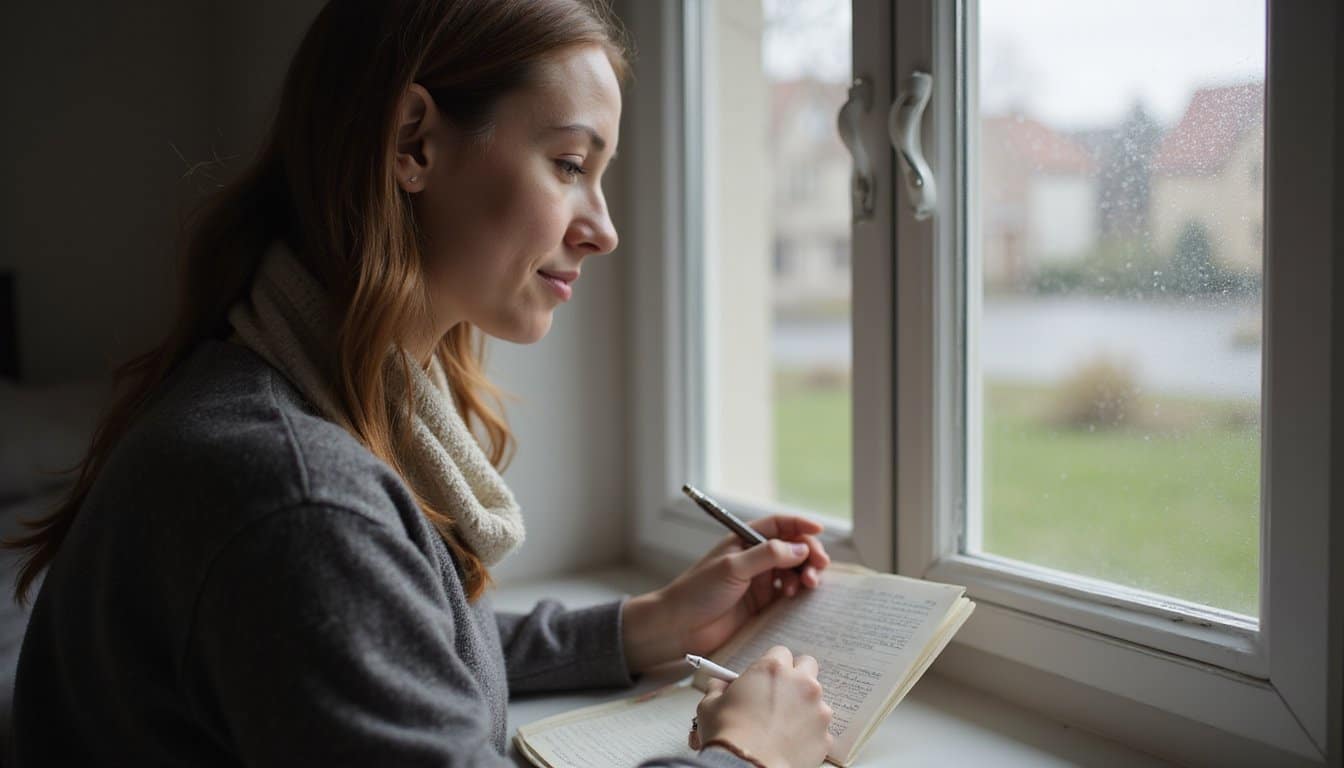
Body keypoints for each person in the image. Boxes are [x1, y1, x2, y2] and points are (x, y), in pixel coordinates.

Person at [4, 1, 835, 766]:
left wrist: (637, 628)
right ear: (412, 144)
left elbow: (378, 646)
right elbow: (345, 598)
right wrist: (748, 755)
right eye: (570, 163)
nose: (604, 230)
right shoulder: (291, 497)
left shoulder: (291, 393)